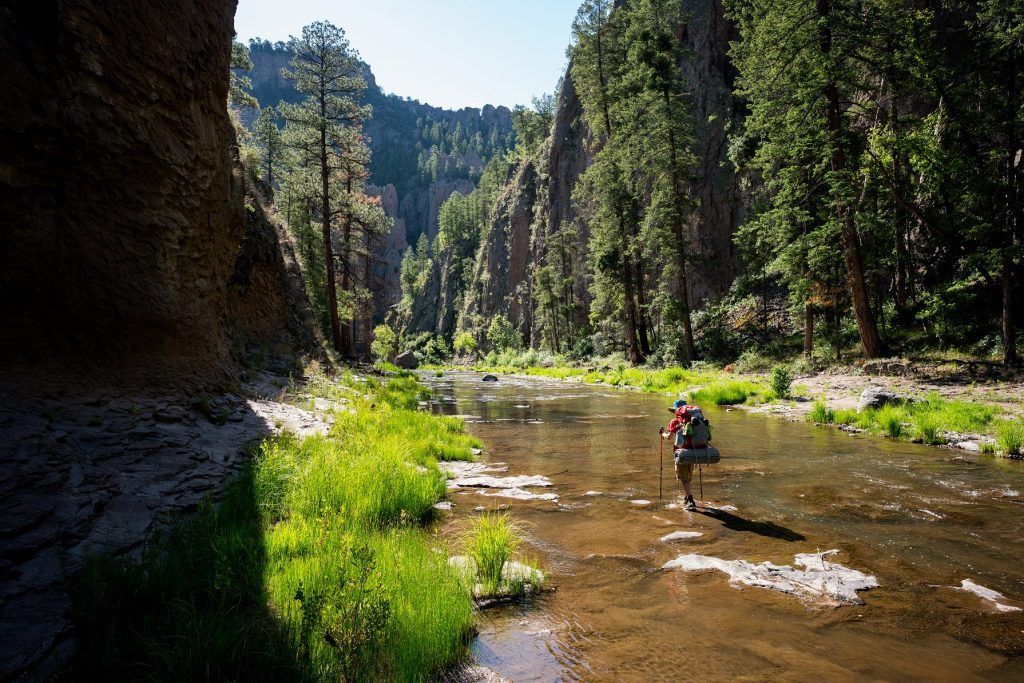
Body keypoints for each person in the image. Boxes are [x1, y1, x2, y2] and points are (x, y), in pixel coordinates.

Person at [661, 397, 697, 510]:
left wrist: (662, 433)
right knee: (688, 476)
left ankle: (691, 500)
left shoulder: (675, 421)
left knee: (683, 478)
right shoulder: (693, 420)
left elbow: (669, 438)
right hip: (693, 452)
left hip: (680, 453)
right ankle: (686, 497)